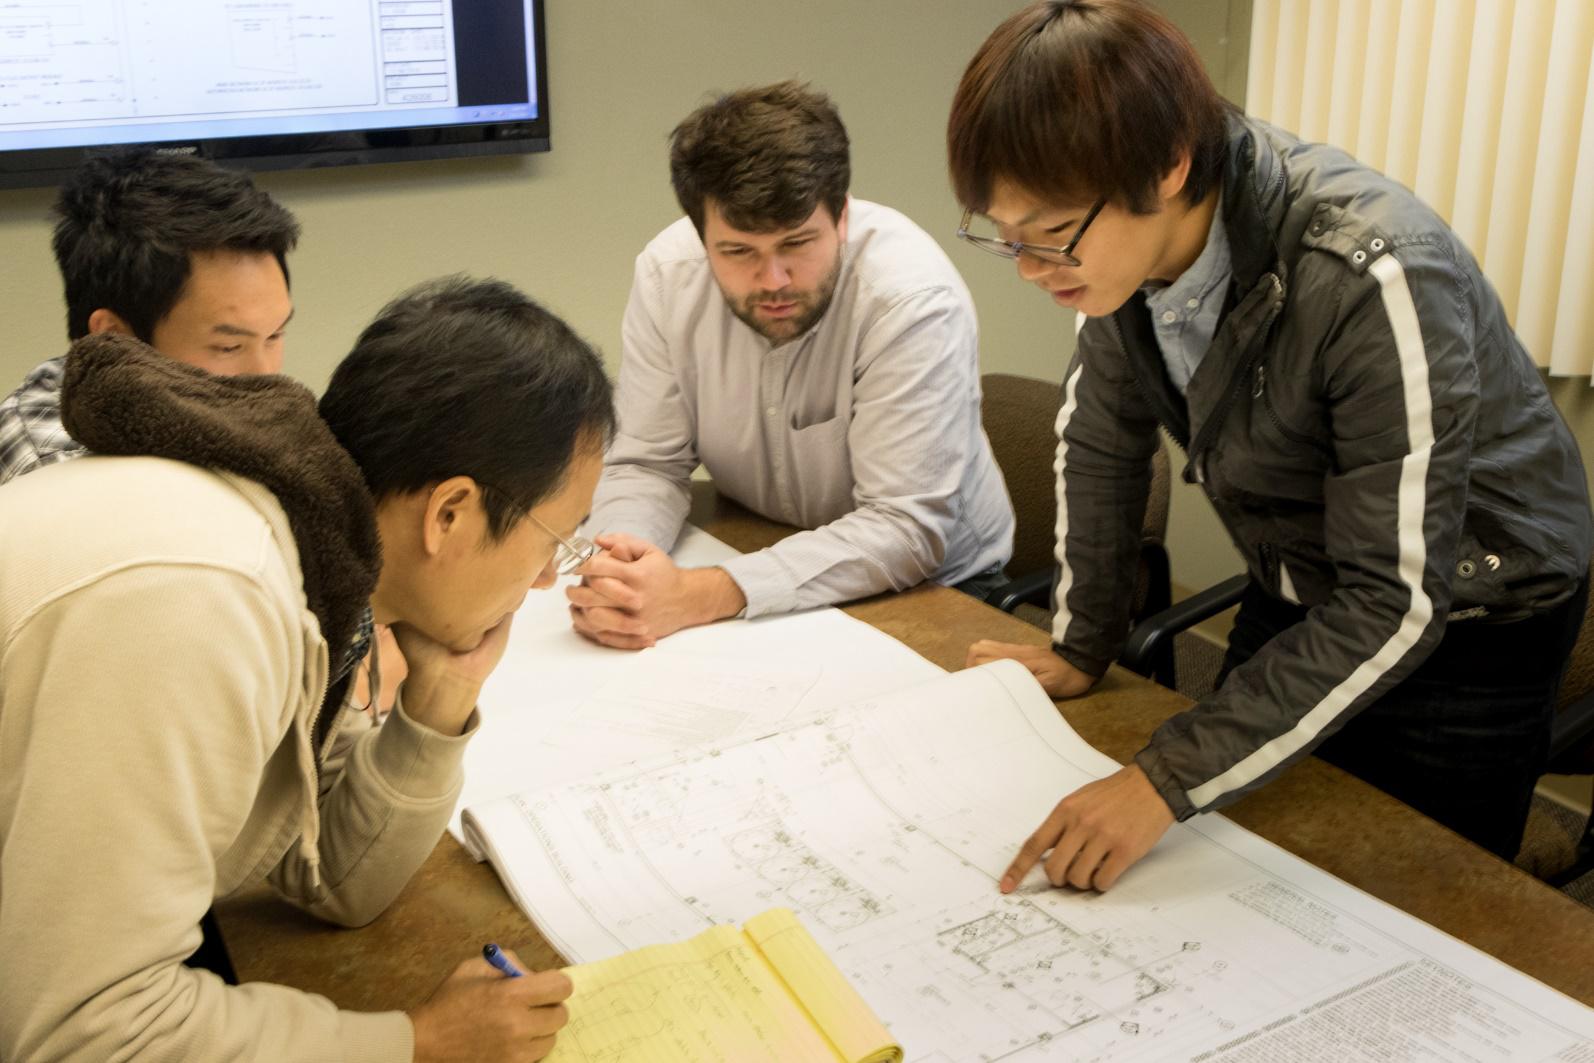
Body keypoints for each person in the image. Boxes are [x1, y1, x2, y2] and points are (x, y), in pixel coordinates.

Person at [949, 0, 1592, 892]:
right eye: (1004, 236)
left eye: (1051, 233)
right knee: (1240, 862)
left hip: (1470, 615)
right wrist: (1080, 641)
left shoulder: (1372, 270)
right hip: (1306, 571)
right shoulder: (1123, 259)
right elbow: (1103, 443)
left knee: (1413, 909)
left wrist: (1160, 781)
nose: (1029, 268)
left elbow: (1395, 600)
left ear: (1169, 166)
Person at [0, 277, 614, 1062]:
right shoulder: (205, 597)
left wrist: (442, 696)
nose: (545, 582)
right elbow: (90, 1033)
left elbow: (333, 879)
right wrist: (416, 1042)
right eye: (555, 541)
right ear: (449, 513)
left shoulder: (320, 561)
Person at [572, 80, 1014, 650]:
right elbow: (647, 465)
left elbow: (906, 530)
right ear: (701, 235)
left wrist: (698, 594)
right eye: (737, 252)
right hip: (760, 550)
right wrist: (622, 565)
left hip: (935, 589)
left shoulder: (910, 300)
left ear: (843, 218)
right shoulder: (668, 275)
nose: (773, 280)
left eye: (798, 244)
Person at [0, 147, 299, 483]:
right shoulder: (58, 470)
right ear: (113, 338)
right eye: (228, 347)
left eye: (274, 336)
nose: (265, 377)